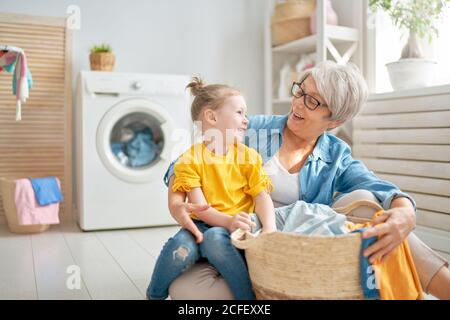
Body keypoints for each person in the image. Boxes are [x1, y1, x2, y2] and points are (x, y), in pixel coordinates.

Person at [164, 61, 450, 300]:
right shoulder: (253, 129)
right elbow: (190, 158)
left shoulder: (336, 155)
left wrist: (406, 213)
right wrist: (176, 199)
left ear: (334, 120)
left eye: (312, 101)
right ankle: (289, 288)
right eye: (300, 92)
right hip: (242, 243)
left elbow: (379, 186)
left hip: (300, 247)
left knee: (369, 205)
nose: (298, 103)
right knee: (185, 289)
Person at [146, 77, 276, 300]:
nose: (246, 120)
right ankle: (153, 295)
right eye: (239, 113)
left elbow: (262, 196)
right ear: (212, 116)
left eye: (245, 114)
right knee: (180, 246)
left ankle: (250, 300)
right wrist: (228, 220)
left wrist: (269, 228)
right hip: (203, 223)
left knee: (216, 237)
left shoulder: (249, 157)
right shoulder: (189, 160)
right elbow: (200, 208)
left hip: (238, 228)